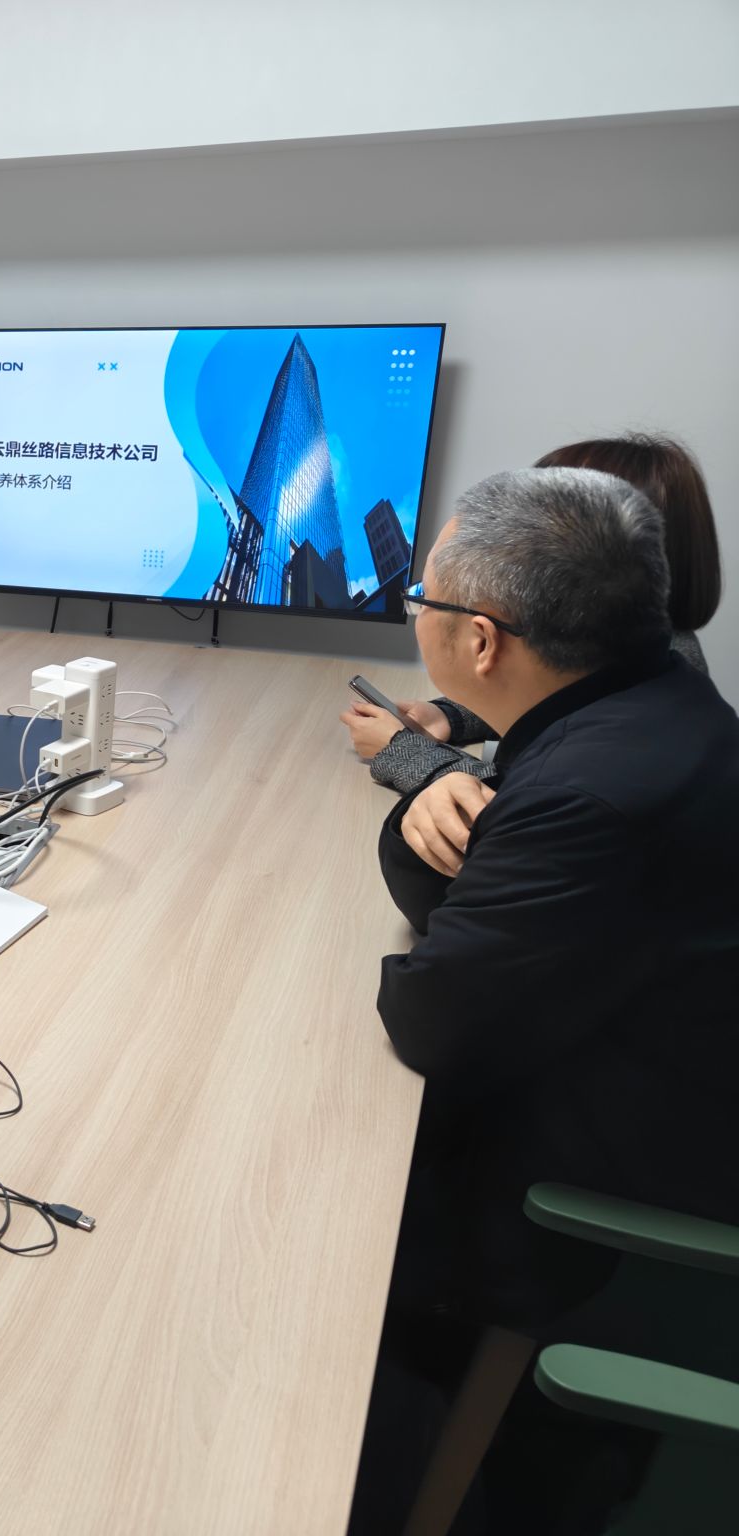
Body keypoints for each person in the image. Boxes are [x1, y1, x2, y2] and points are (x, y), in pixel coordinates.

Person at [352, 468, 739, 1532]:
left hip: (604, 1182)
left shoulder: (588, 790)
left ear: (480, 642)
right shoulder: (649, 700)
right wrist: (439, 791)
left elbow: (432, 1018)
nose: (416, 614)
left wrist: (421, 811)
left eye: (422, 598)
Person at [342, 432, 720, 790]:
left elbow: (525, 792)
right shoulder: (635, 654)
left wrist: (399, 749)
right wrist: (449, 716)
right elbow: (545, 697)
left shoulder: (647, 704)